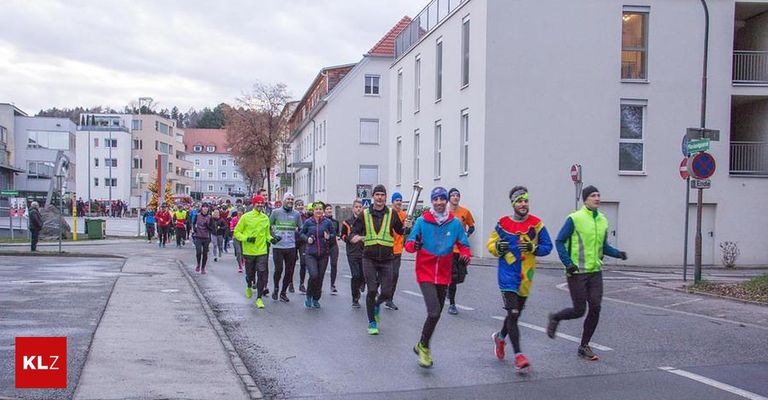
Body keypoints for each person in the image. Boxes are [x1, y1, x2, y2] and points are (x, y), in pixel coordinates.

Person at [547, 185, 628, 361]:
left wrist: (618, 254)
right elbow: (559, 241)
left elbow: (604, 247)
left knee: (596, 307)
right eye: (593, 195)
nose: (597, 198)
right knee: (579, 310)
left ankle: (584, 345)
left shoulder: (603, 220)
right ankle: (556, 318)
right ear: (585, 200)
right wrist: (568, 263)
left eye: (598, 195)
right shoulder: (574, 219)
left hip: (595, 271)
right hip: (577, 272)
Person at [487, 186, 553, 370]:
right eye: (520, 201)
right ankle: (518, 355)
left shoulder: (536, 224)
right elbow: (491, 244)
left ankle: (500, 337)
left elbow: (548, 246)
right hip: (507, 275)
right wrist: (497, 247)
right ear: (513, 204)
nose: (523, 204)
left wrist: (534, 248)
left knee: (514, 315)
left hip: (526, 277)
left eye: (526, 201)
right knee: (514, 313)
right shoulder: (503, 223)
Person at [404, 187, 471, 368]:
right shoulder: (422, 221)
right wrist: (414, 244)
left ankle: (421, 343)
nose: (439, 202)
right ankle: (425, 348)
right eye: (436, 199)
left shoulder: (454, 223)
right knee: (433, 311)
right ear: (432, 201)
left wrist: (466, 255)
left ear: (446, 201)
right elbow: (409, 244)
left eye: (442, 199)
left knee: (437, 313)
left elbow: (464, 244)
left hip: (443, 274)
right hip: (425, 272)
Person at [350, 184, 410, 335]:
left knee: (387, 292)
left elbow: (400, 231)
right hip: (369, 258)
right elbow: (353, 231)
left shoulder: (392, 214)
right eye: (377, 194)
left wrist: (407, 227)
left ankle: (377, 305)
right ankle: (372, 322)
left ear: (385, 197)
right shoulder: (365, 214)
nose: (379, 197)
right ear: (373, 197)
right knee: (371, 290)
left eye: (382, 195)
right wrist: (354, 237)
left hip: (387, 258)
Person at [234, 195, 276, 309]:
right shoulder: (245, 217)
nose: (260, 205)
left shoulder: (265, 218)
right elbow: (236, 232)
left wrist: (272, 239)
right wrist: (247, 238)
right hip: (249, 251)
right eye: (258, 203)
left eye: (262, 203)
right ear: (254, 204)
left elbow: (267, 234)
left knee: (261, 273)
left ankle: (259, 298)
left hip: (262, 251)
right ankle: (249, 284)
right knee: (250, 274)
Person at [298, 201, 335, 308]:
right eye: (316, 209)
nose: (318, 211)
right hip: (311, 253)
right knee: (314, 275)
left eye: (320, 209)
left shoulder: (327, 222)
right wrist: (307, 239)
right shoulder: (308, 222)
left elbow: (334, 233)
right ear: (313, 211)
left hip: (323, 254)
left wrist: (329, 237)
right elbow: (301, 233)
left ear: (323, 211)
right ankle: (309, 295)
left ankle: (316, 298)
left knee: (320, 277)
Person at [446, 188, 476, 315]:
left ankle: (449, 288)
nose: (455, 197)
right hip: (449, 249)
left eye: (457, 195)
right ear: (449, 198)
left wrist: (466, 234)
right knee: (453, 277)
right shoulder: (445, 212)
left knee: (461, 277)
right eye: (453, 195)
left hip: (461, 249)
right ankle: (452, 304)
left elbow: (472, 227)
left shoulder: (465, 212)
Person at [269, 193, 301, 302]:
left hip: (291, 246)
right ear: (284, 200)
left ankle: (283, 292)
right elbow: (268, 226)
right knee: (278, 270)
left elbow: (301, 228)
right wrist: (273, 237)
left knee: (289, 271)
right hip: (278, 246)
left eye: (292, 199)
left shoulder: (296, 214)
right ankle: (276, 288)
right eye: (288, 199)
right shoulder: (276, 212)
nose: (290, 201)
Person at [341, 199, 365, 308]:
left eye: (360, 207)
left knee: (363, 274)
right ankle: (355, 298)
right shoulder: (347, 222)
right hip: (352, 252)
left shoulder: (366, 221)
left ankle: (362, 283)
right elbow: (342, 235)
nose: (358, 209)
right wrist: (350, 239)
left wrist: (364, 238)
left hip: (364, 252)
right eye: (356, 207)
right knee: (355, 275)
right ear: (353, 208)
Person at [387, 192, 406, 310]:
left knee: (394, 275)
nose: (398, 202)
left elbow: (406, 231)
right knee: (383, 274)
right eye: (396, 200)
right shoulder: (388, 214)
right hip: (386, 248)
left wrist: (408, 226)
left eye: (400, 200)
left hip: (398, 250)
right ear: (392, 202)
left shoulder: (405, 215)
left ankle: (389, 300)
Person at [192, 203, 215, 274]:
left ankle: (203, 267)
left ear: (208, 209)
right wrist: (194, 229)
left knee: (205, 253)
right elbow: (193, 223)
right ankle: (198, 264)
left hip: (206, 237)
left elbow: (212, 228)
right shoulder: (197, 216)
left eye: (206, 207)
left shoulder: (210, 217)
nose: (205, 209)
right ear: (201, 208)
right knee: (198, 252)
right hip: (198, 236)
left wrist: (207, 226)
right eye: (204, 207)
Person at [324, 203, 340, 294]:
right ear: (324, 211)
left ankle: (332, 284)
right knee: (323, 266)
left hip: (333, 245)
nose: (329, 210)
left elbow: (337, 233)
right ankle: (319, 283)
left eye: (330, 209)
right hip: (324, 246)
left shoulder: (335, 222)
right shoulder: (322, 221)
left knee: (334, 264)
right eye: (327, 209)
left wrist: (337, 236)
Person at [297, 201, 312, 293]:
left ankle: (301, 284)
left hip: (303, 242)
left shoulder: (306, 217)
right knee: (291, 264)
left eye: (301, 205)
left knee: (303, 263)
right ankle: (290, 283)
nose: (300, 207)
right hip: (293, 242)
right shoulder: (293, 215)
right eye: (298, 205)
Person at [230, 208, 245, 273]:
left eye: (241, 211)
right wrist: (233, 229)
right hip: (236, 237)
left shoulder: (245, 219)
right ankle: (240, 266)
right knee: (238, 252)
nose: (240, 213)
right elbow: (231, 226)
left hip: (243, 237)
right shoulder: (234, 219)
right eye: (239, 211)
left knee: (243, 252)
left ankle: (243, 260)